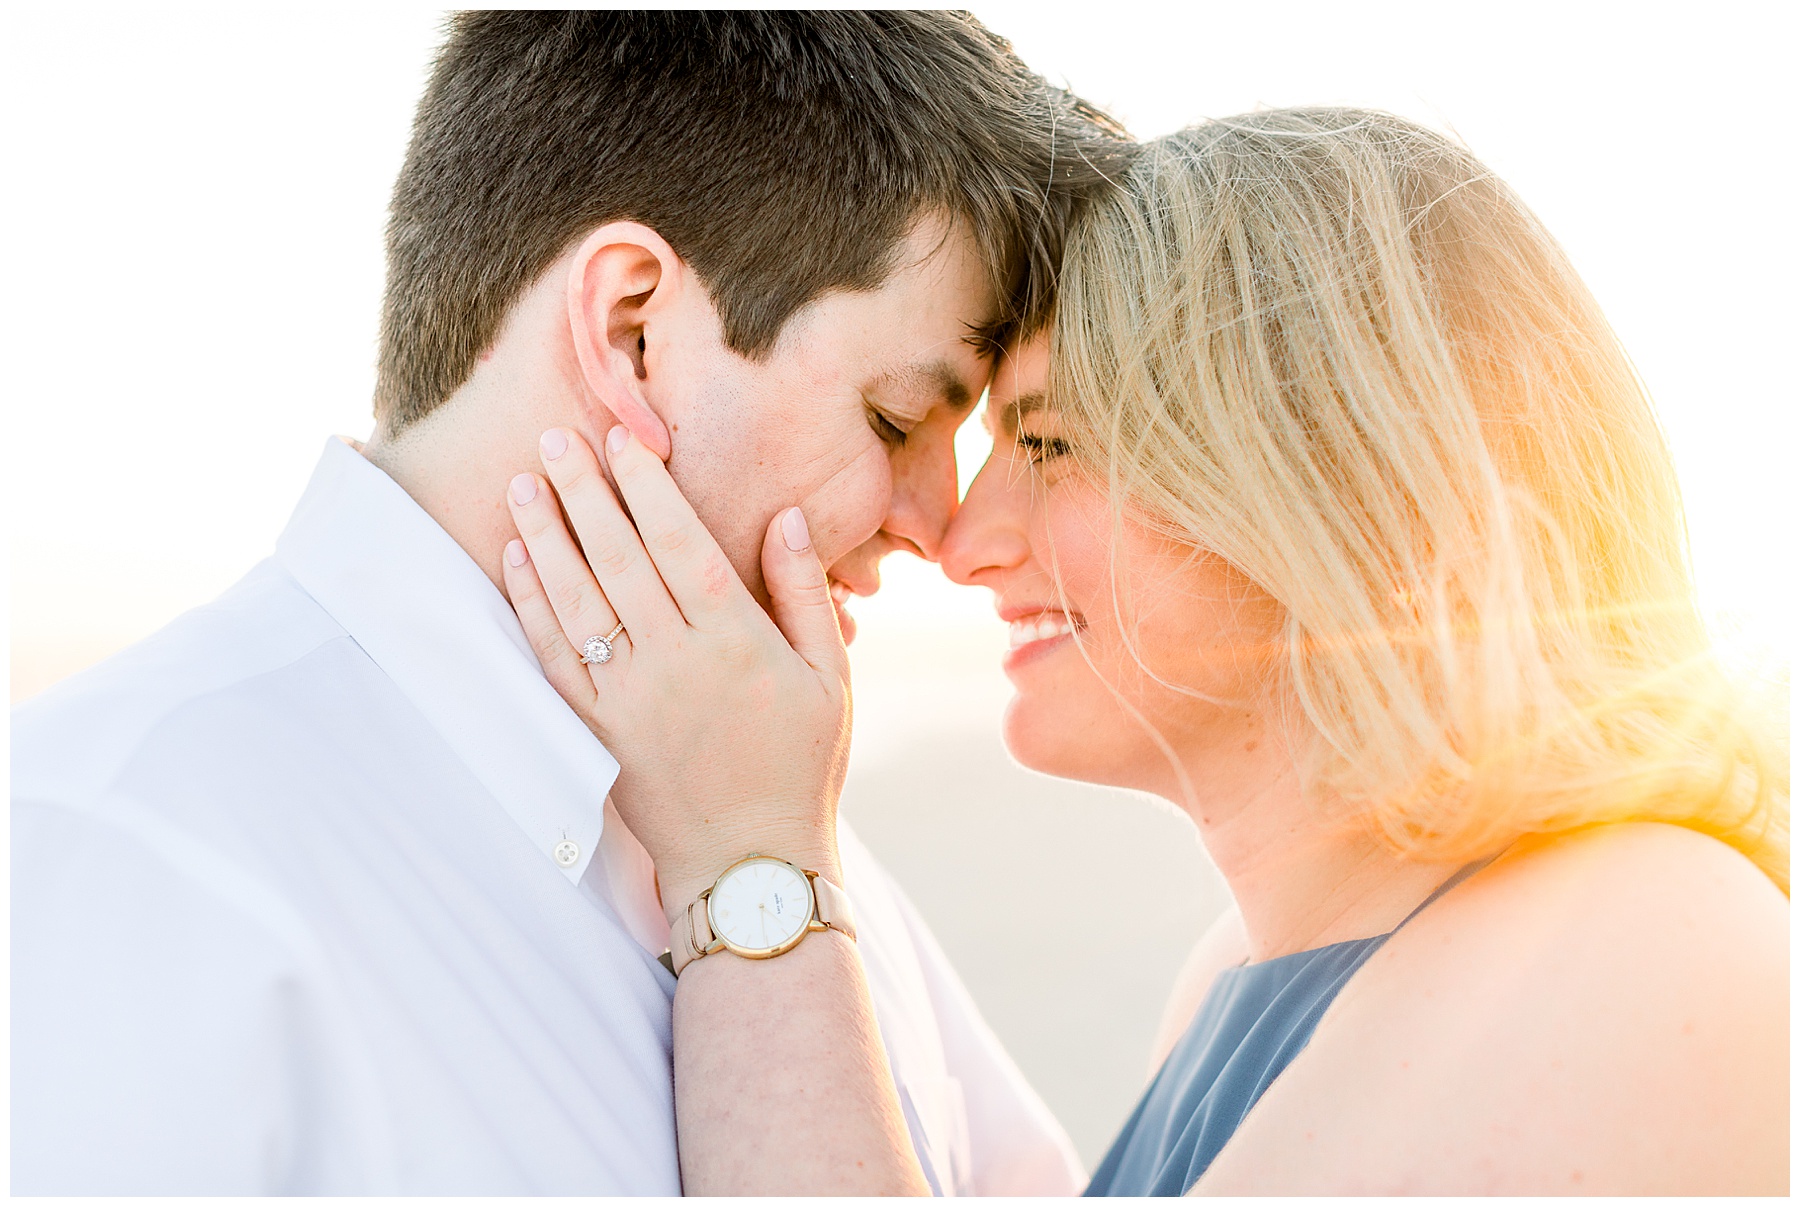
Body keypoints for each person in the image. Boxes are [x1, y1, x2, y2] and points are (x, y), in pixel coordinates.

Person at [504, 108, 1789, 1194]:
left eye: (1050, 445)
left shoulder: (1656, 934)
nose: (965, 539)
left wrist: (752, 858)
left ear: (1337, 481)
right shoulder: (1232, 978)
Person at [11, 12, 1131, 1194]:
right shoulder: (111, 855)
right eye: (898, 418)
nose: (938, 524)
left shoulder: (813, 880)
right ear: (632, 328)